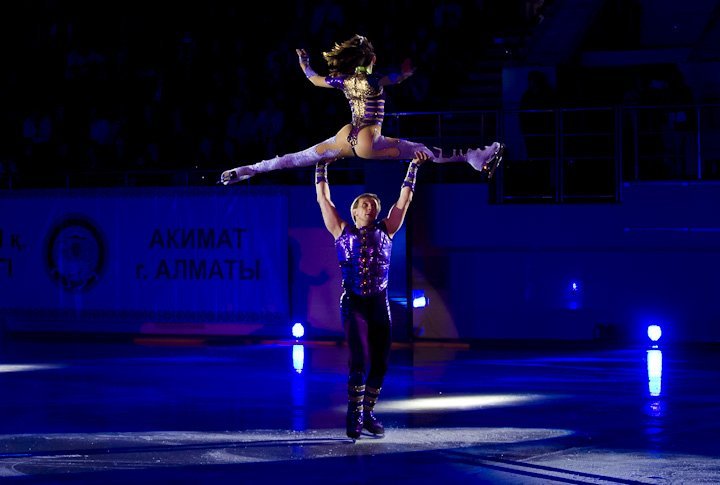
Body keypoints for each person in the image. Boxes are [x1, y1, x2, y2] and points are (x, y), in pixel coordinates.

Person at [220, 34, 504, 185]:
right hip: (370, 140)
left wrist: (304, 63)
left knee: (294, 159)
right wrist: (407, 72)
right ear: (373, 59)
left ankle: (246, 169)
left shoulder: (343, 81)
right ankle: (472, 157)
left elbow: (313, 79)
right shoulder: (374, 79)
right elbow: (398, 77)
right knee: (421, 150)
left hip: (345, 138)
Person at [315, 150, 428, 440]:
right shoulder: (340, 230)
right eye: (365, 204)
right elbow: (324, 200)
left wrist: (413, 167)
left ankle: (368, 413)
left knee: (381, 361)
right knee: (359, 358)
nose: (370, 208)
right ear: (354, 211)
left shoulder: (387, 230)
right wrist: (321, 167)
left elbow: (403, 201)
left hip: (379, 302)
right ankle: (353, 415)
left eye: (374, 205)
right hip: (353, 302)